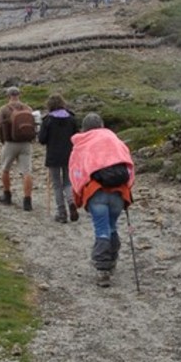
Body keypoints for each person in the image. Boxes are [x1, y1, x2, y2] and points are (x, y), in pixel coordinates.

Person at [69, 112, 136, 287]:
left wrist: (77, 198)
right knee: (112, 226)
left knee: (101, 229)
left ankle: (102, 270)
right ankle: (112, 261)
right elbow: (128, 165)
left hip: (96, 192)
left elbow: (76, 171)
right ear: (102, 125)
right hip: (118, 193)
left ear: (84, 128)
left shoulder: (82, 144)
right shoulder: (115, 140)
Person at [38, 94, 80, 222]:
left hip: (53, 156)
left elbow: (42, 139)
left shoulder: (48, 120)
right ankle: (71, 201)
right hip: (69, 155)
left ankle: (62, 213)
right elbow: (77, 137)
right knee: (68, 182)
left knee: (57, 184)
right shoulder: (71, 119)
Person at [0, 86, 36, 209]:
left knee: (5, 169)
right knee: (27, 172)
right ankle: (27, 201)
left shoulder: (4, 109)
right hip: (26, 143)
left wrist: (3, 141)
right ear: (19, 95)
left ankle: (7, 196)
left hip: (10, 143)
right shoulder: (28, 108)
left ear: (8, 96)